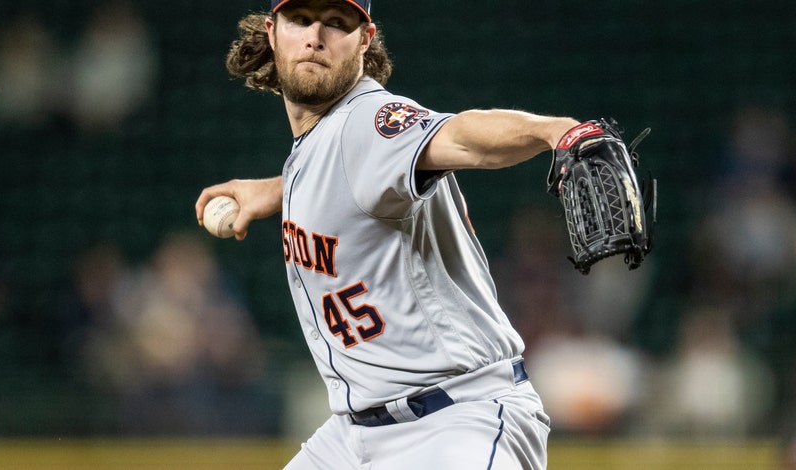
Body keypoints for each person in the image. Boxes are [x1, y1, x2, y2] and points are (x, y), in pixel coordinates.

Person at [195, 1, 585, 468]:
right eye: (300, 19)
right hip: (351, 434)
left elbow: (461, 136)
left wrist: (558, 132)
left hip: (455, 422)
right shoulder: (315, 150)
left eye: (337, 23)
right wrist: (277, 190)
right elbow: (343, 179)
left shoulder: (370, 119)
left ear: (365, 40)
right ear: (272, 31)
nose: (316, 35)